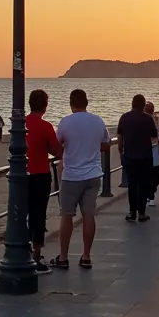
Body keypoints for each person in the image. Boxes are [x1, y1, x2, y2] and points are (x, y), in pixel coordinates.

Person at [52, 89, 110, 270]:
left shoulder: (65, 122)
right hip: (93, 174)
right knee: (88, 215)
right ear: (87, 103)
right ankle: (86, 256)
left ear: (71, 103)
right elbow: (106, 144)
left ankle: (63, 257)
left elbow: (56, 145)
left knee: (67, 215)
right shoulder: (97, 121)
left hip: (72, 175)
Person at [26, 89, 62, 272]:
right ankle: (36, 254)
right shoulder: (45, 126)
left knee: (21, 213)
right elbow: (57, 151)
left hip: (22, 175)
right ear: (45, 106)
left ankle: (22, 250)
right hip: (40, 174)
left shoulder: (21, 123)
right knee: (38, 214)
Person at [117, 95, 158, 222]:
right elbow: (154, 136)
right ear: (143, 105)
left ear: (132, 104)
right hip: (145, 156)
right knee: (144, 184)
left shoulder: (124, 117)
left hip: (130, 155)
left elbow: (120, 136)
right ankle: (142, 212)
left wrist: (120, 151)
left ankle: (132, 212)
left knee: (132, 185)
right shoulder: (148, 119)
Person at [143, 101, 159, 204]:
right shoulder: (144, 119)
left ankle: (151, 193)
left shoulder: (156, 118)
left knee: (154, 172)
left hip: (154, 147)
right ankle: (149, 195)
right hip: (147, 148)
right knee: (149, 172)